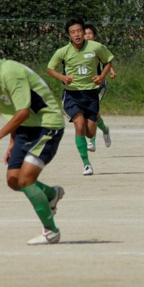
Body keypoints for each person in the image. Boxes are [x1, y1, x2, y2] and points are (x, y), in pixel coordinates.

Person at [0, 29, 65, 245]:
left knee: (26, 179)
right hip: (26, 129)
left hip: (48, 125)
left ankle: (51, 231)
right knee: (13, 181)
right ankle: (50, 195)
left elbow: (23, 111)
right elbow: (14, 112)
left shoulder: (10, 72)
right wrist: (12, 142)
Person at [47, 17, 114, 176]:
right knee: (79, 125)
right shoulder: (63, 52)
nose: (76, 34)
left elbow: (108, 61)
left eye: (79, 31)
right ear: (68, 35)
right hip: (72, 95)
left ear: (84, 32)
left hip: (90, 94)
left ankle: (104, 129)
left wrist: (102, 76)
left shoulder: (96, 47)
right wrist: (62, 78)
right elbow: (50, 68)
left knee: (90, 133)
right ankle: (86, 164)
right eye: (72, 32)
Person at [84, 23, 116, 152]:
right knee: (93, 114)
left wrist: (112, 71)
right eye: (85, 33)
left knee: (92, 112)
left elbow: (106, 61)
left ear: (95, 36)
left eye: (90, 33)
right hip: (85, 85)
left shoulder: (98, 48)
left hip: (98, 84)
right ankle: (105, 129)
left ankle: (92, 142)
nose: (87, 36)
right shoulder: (80, 50)